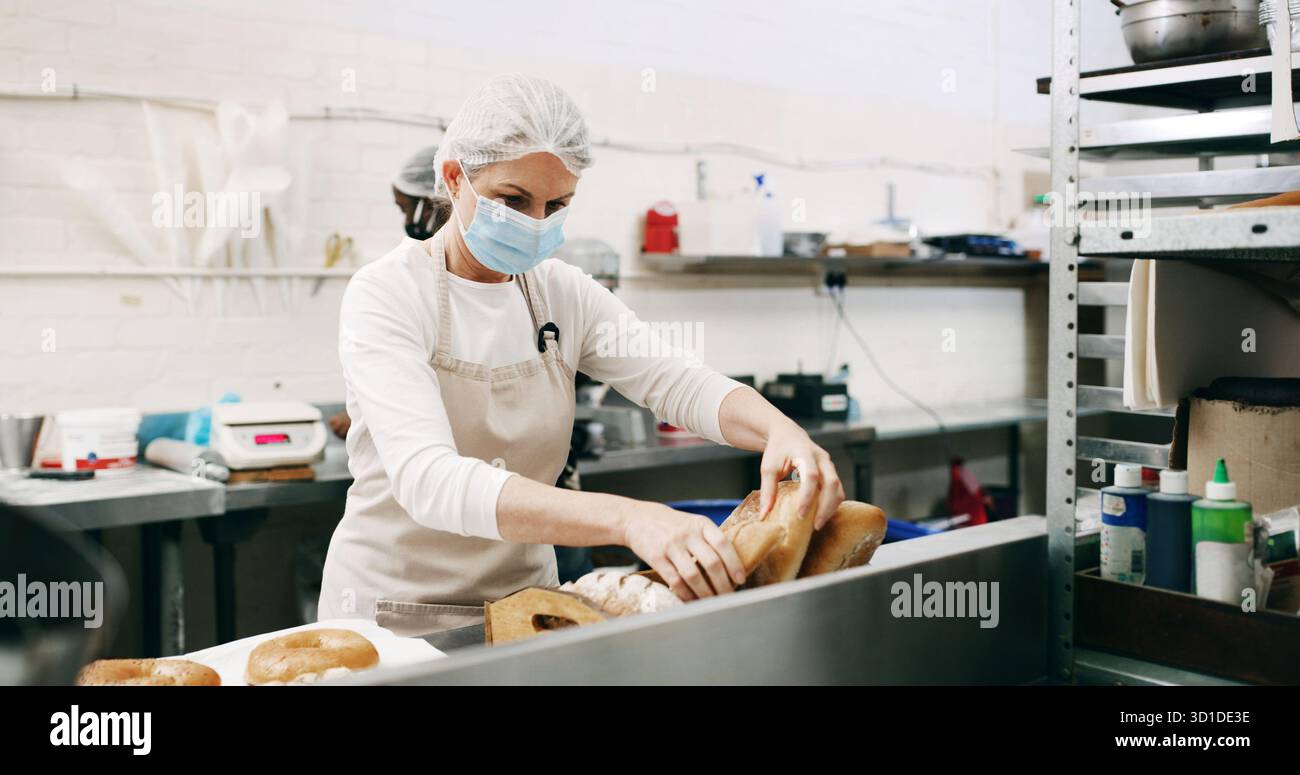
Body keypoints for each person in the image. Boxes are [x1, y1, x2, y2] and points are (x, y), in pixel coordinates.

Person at [318, 74, 844, 636]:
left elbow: (678, 383)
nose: (534, 223)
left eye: (556, 204)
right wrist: (628, 518)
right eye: (512, 200)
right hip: (394, 621)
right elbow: (430, 479)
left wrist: (779, 430)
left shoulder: (561, 292)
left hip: (525, 607)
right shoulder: (388, 293)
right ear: (454, 178)